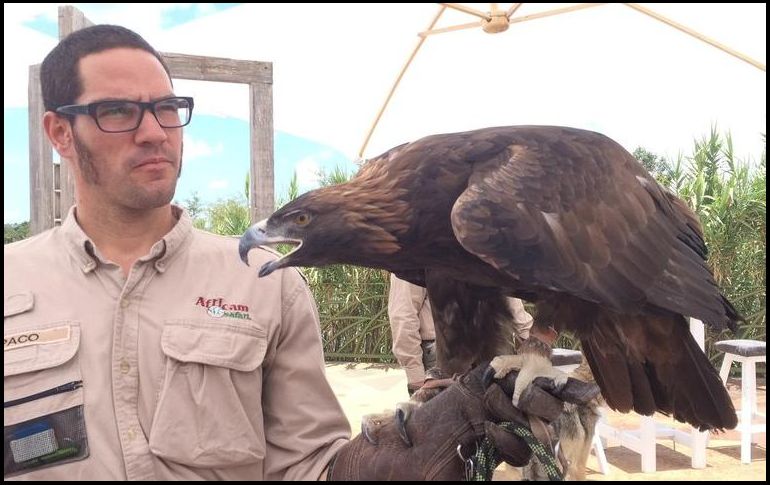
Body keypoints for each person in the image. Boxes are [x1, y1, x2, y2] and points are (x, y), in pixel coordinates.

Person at [4, 24, 592, 481]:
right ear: (60, 132)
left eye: (166, 108)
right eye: (117, 112)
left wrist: (407, 456)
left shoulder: (267, 286)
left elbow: (310, 466)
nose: (155, 130)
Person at [388, 273, 534, 396]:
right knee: (448, 423)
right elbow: (403, 314)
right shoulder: (418, 246)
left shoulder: (481, 242)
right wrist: (416, 377)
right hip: (443, 352)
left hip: (492, 347)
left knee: (494, 419)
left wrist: (531, 339)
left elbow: (506, 295)